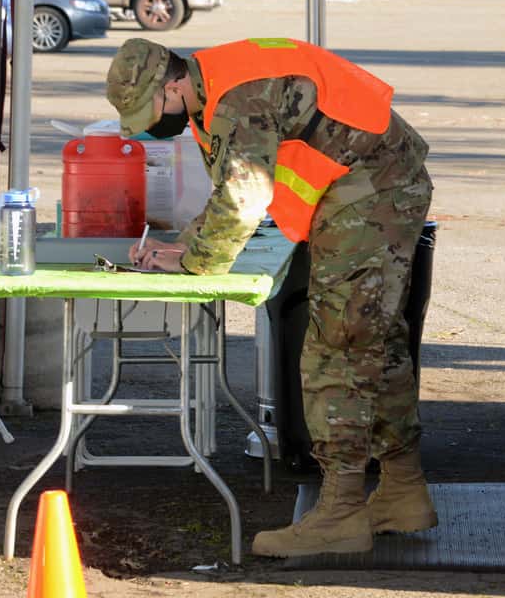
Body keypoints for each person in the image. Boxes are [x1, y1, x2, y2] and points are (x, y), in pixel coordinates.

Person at [105, 37, 436, 558]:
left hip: (372, 188)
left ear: (171, 85)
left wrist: (198, 265)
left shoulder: (234, 96)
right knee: (377, 341)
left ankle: (342, 513)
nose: (153, 124)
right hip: (370, 183)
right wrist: (185, 247)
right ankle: (402, 489)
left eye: (152, 111)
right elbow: (231, 187)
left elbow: (245, 194)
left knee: (339, 348)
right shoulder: (211, 89)